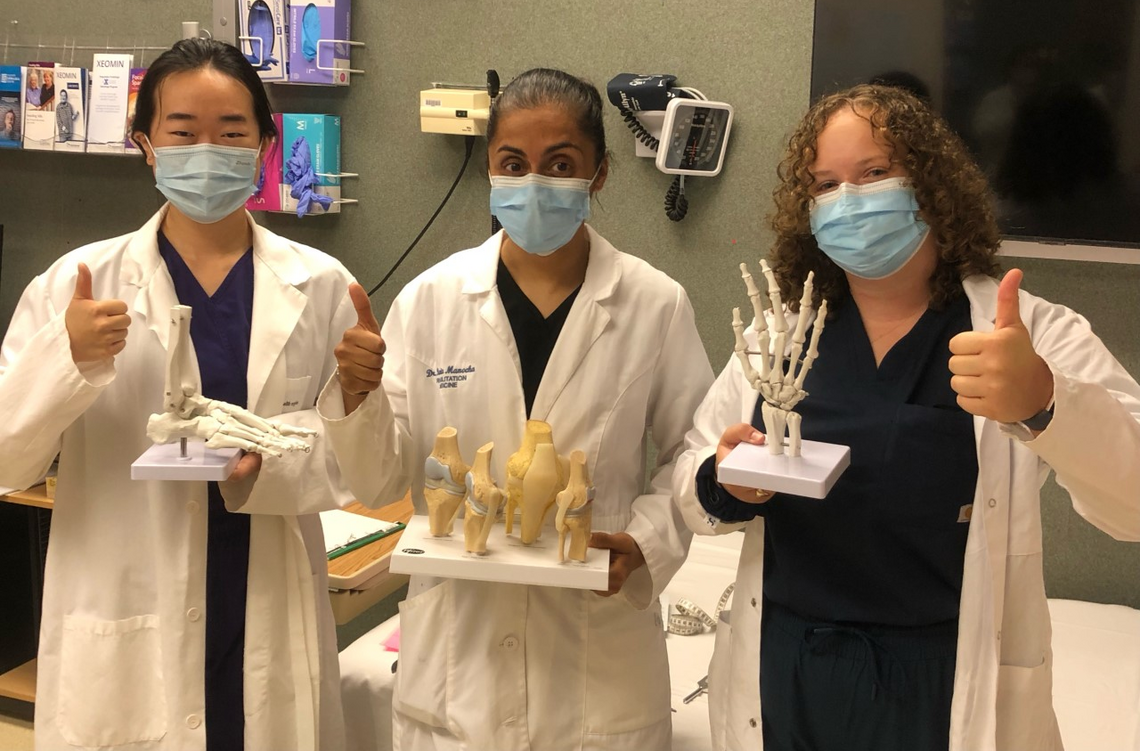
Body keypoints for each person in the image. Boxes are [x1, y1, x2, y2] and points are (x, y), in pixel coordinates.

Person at [672, 84, 1140, 751]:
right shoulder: (777, 337)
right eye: (826, 185)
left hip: (941, 686)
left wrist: (1044, 401)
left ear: (931, 186)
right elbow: (694, 475)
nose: (849, 200)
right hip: (786, 672)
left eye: (874, 173)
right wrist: (725, 482)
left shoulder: (1026, 334)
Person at [322, 68, 714, 751]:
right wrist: (357, 396)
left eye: (560, 164)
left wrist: (644, 543)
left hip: (596, 663)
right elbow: (381, 481)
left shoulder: (653, 303)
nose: (535, 182)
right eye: (513, 163)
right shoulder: (431, 300)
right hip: (458, 659)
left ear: (599, 173)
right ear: (490, 171)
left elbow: (693, 452)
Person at [0, 38, 360, 751]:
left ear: (264, 146)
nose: (208, 151)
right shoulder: (76, 283)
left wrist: (277, 459)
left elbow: (358, 460)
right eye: (183, 131)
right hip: (129, 608)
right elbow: (8, 459)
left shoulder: (321, 285)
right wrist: (67, 358)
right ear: (146, 146)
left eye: (231, 132)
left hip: (264, 599)